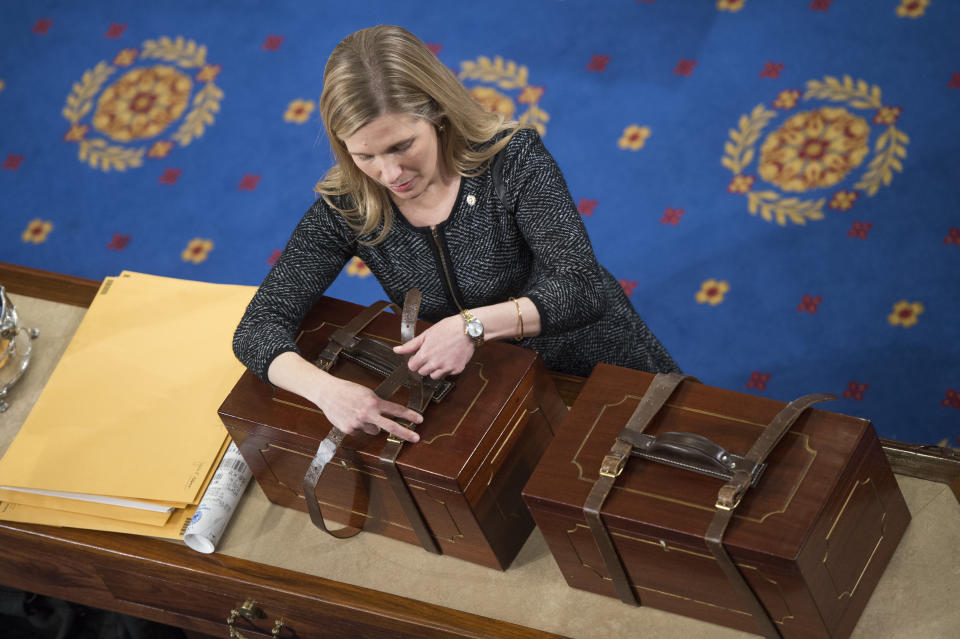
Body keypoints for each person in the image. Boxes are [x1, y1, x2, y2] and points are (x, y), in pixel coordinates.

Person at [233, 25, 680, 445]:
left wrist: (472, 327)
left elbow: (581, 289)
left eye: (402, 146)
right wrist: (327, 391)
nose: (390, 174)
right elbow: (257, 327)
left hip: (593, 361)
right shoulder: (349, 204)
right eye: (365, 155)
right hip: (488, 393)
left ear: (438, 115)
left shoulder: (512, 159)